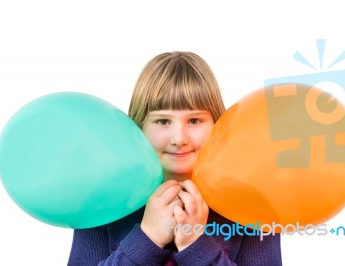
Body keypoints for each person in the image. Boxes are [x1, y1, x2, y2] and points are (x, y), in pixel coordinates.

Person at [67, 51, 282, 265]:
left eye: (195, 120)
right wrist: (147, 239)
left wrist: (196, 244)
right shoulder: (103, 203)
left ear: (218, 125)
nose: (179, 139)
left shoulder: (251, 206)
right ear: (139, 127)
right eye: (162, 121)